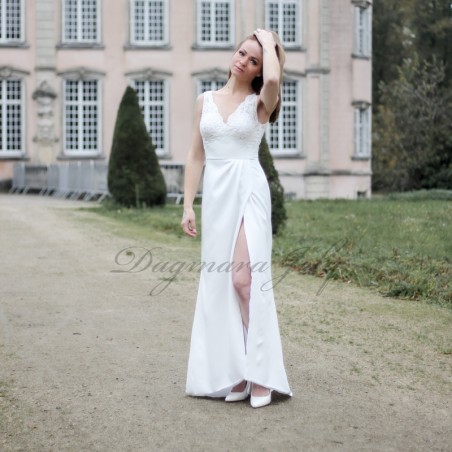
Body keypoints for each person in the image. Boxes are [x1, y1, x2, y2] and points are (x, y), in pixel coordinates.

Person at [181, 29, 292, 408]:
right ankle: (240, 372)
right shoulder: (204, 101)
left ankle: (263, 374)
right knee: (222, 287)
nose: (243, 60)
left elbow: (276, 78)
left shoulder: (262, 102)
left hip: (249, 191)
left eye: (254, 60)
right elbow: (196, 156)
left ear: (260, 70)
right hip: (216, 198)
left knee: (245, 280)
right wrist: (186, 205)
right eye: (242, 53)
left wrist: (268, 39)